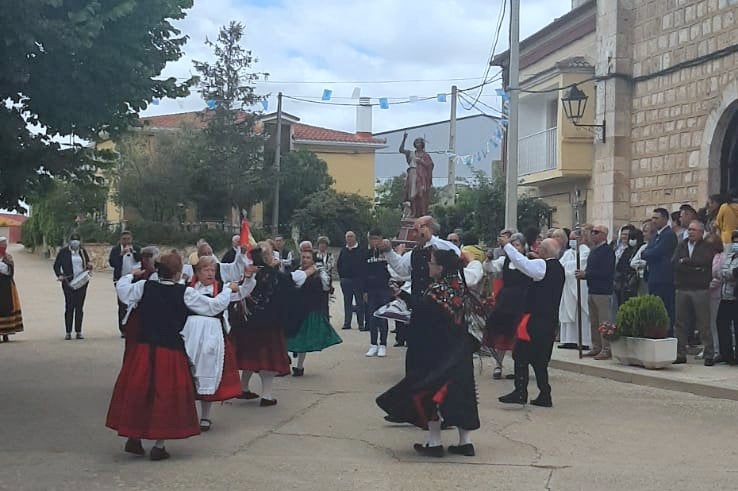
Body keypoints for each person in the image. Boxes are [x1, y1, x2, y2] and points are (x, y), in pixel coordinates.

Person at [106, 252, 238, 461]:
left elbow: (123, 291)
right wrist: (228, 291)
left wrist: (130, 274)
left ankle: (134, 436)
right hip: (169, 351)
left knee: (139, 389)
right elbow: (212, 307)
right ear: (178, 273)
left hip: (143, 348)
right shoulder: (184, 293)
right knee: (165, 394)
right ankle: (159, 445)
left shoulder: (145, 286)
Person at [377, 248, 480, 458]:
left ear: (441, 267)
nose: (429, 266)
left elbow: (424, 312)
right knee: (461, 395)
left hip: (438, 352)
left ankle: (434, 443)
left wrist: (402, 296)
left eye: (432, 263)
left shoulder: (438, 290)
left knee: (431, 393)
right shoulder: (459, 285)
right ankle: (465, 442)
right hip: (460, 350)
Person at [381, 216, 460, 379]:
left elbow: (456, 269)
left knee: (436, 346)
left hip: (439, 306)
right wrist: (389, 251)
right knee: (415, 345)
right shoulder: (415, 252)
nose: (414, 235)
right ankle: (414, 380)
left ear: (427, 228)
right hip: (418, 304)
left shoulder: (444, 247)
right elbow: (402, 269)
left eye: (416, 230)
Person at [231, 242, 310, 405]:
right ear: (266, 257)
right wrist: (310, 271)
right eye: (270, 254)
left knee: (250, 356)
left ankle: (244, 388)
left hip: (247, 323)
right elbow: (292, 283)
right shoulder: (273, 275)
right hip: (268, 324)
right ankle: (266, 395)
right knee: (267, 359)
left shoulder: (245, 273)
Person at [183, 256, 251, 431]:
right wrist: (228, 291)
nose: (210, 273)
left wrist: (249, 278)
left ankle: (205, 417)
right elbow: (212, 305)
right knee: (188, 372)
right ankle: (186, 413)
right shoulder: (189, 289)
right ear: (197, 272)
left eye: (212, 270)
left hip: (213, 334)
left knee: (210, 370)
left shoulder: (220, 288)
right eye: (205, 269)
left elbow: (243, 292)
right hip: (191, 334)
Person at [498, 238, 565, 408]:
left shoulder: (543, 267)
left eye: (540, 248)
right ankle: (545, 394)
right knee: (539, 360)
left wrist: (507, 246)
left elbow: (523, 264)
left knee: (520, 354)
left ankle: (520, 392)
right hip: (549, 319)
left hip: (536, 320)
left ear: (545, 251)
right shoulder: (557, 267)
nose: (537, 250)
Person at [483, 233, 532, 379]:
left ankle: (521, 368)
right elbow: (490, 268)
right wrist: (488, 259)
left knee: (519, 335)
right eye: (513, 245)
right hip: (506, 300)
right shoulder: (504, 260)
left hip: (522, 300)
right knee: (501, 333)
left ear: (523, 247)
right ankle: (498, 365)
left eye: (518, 245)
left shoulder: (527, 261)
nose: (515, 248)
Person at [287, 251, 343, 376]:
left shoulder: (318, 275)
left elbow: (325, 290)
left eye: (308, 258)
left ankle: (299, 366)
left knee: (303, 339)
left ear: (312, 260)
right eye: (303, 257)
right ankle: (287, 358)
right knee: (288, 336)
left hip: (308, 310)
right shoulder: (296, 271)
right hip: (294, 310)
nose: (305, 260)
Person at [673, 220, 715, 365]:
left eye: (694, 230)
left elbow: (705, 262)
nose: (690, 232)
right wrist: (693, 266)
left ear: (701, 233)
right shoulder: (682, 245)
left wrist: (686, 262)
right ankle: (680, 353)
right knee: (680, 322)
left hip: (700, 289)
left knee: (703, 322)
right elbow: (674, 263)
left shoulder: (707, 247)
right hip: (682, 288)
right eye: (689, 229)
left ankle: (709, 354)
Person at [575, 225, 615, 360]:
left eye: (596, 232)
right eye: (592, 232)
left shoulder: (607, 251)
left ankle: (606, 348)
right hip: (592, 289)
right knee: (594, 321)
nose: (593, 235)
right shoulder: (594, 250)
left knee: (604, 321)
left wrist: (586, 274)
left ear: (604, 235)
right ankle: (596, 346)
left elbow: (606, 272)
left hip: (603, 291)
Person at [641, 208, 678, 332]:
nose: (654, 221)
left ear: (665, 219)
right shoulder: (655, 235)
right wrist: (648, 253)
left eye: (656, 218)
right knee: (654, 308)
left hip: (664, 279)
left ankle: (667, 334)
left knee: (666, 308)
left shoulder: (669, 235)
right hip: (653, 277)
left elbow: (656, 252)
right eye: (653, 218)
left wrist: (648, 253)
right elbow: (645, 252)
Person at [53, 233, 94, 340]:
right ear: (70, 241)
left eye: (77, 240)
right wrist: (60, 275)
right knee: (69, 306)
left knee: (79, 307)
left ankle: (78, 331)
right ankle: (68, 332)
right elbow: (56, 265)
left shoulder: (82, 251)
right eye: (73, 240)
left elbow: (88, 263)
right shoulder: (63, 252)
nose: (75, 242)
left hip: (82, 282)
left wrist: (89, 266)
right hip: (68, 283)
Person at [558, 229, 591, 350]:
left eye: (574, 239)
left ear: (581, 239)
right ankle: (569, 339)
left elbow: (580, 264)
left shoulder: (586, 251)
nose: (571, 241)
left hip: (579, 287)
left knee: (580, 313)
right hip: (568, 286)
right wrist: (567, 266)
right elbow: (560, 265)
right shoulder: (568, 252)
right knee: (567, 311)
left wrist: (566, 266)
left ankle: (584, 341)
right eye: (570, 239)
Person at [365, 229, 392, 358]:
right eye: (372, 238)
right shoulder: (366, 254)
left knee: (383, 317)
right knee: (372, 317)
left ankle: (383, 344)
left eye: (377, 238)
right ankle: (373, 344)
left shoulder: (386, 253)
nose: (374, 241)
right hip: (371, 290)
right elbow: (362, 273)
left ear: (381, 238)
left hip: (384, 289)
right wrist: (364, 290)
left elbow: (392, 270)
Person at [109, 231, 141, 337]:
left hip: (135, 280)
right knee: (122, 304)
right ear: (120, 240)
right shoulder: (116, 250)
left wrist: (133, 252)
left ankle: (134, 327)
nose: (126, 241)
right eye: (124, 239)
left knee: (135, 304)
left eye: (128, 238)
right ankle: (123, 329)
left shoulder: (137, 248)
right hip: (120, 280)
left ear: (131, 239)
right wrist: (121, 255)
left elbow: (141, 260)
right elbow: (112, 263)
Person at [398, 133, 434, 218]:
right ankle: (413, 212)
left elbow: (430, 165)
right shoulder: (411, 153)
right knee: (412, 195)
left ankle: (423, 213)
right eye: (416, 142)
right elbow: (401, 150)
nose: (418, 144)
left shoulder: (426, 155)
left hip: (421, 176)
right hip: (412, 173)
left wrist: (421, 162)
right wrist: (404, 138)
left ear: (422, 144)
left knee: (421, 193)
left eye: (419, 142)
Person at [337, 231, 367, 331]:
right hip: (346, 281)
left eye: (351, 236)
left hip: (358, 281)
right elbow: (339, 264)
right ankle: (347, 323)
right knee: (347, 302)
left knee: (360, 303)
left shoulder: (362, 250)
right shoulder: (343, 250)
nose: (349, 238)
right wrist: (342, 278)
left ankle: (361, 324)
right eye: (347, 237)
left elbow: (364, 265)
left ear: (355, 238)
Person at [717, 230, 738, 365]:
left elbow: (733, 273)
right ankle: (726, 354)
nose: (735, 244)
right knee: (721, 323)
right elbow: (721, 272)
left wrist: (727, 274)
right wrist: (727, 274)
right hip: (725, 296)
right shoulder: (729, 256)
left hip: (736, 297)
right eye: (734, 241)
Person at [0, 237, 23, 342]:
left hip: (6, 286)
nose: (3, 246)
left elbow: (10, 271)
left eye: (4, 244)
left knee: (7, 307)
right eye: (1, 244)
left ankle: (6, 333)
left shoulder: (8, 257)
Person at [614, 229, 643, 307]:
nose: (631, 240)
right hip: (624, 282)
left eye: (633, 238)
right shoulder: (627, 250)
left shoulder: (642, 249)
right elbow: (620, 266)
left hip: (636, 281)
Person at [707, 234, 725, 362]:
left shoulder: (721, 258)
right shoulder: (706, 257)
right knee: (707, 323)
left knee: (714, 323)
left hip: (717, 294)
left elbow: (719, 277)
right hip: (706, 294)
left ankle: (717, 350)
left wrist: (707, 285)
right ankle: (709, 348)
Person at [630, 221, 653, 296]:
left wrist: (644, 263)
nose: (644, 234)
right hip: (640, 278)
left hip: (650, 278)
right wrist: (641, 263)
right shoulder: (643, 247)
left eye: (646, 232)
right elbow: (632, 263)